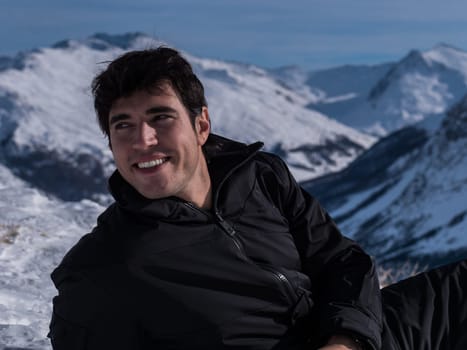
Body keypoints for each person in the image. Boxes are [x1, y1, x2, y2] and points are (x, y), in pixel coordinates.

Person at [48, 47, 466, 350]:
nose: (143, 140)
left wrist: (346, 341)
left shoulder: (260, 177)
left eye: (160, 117)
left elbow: (342, 261)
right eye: (123, 125)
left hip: (348, 335)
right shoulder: (101, 268)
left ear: (201, 125)